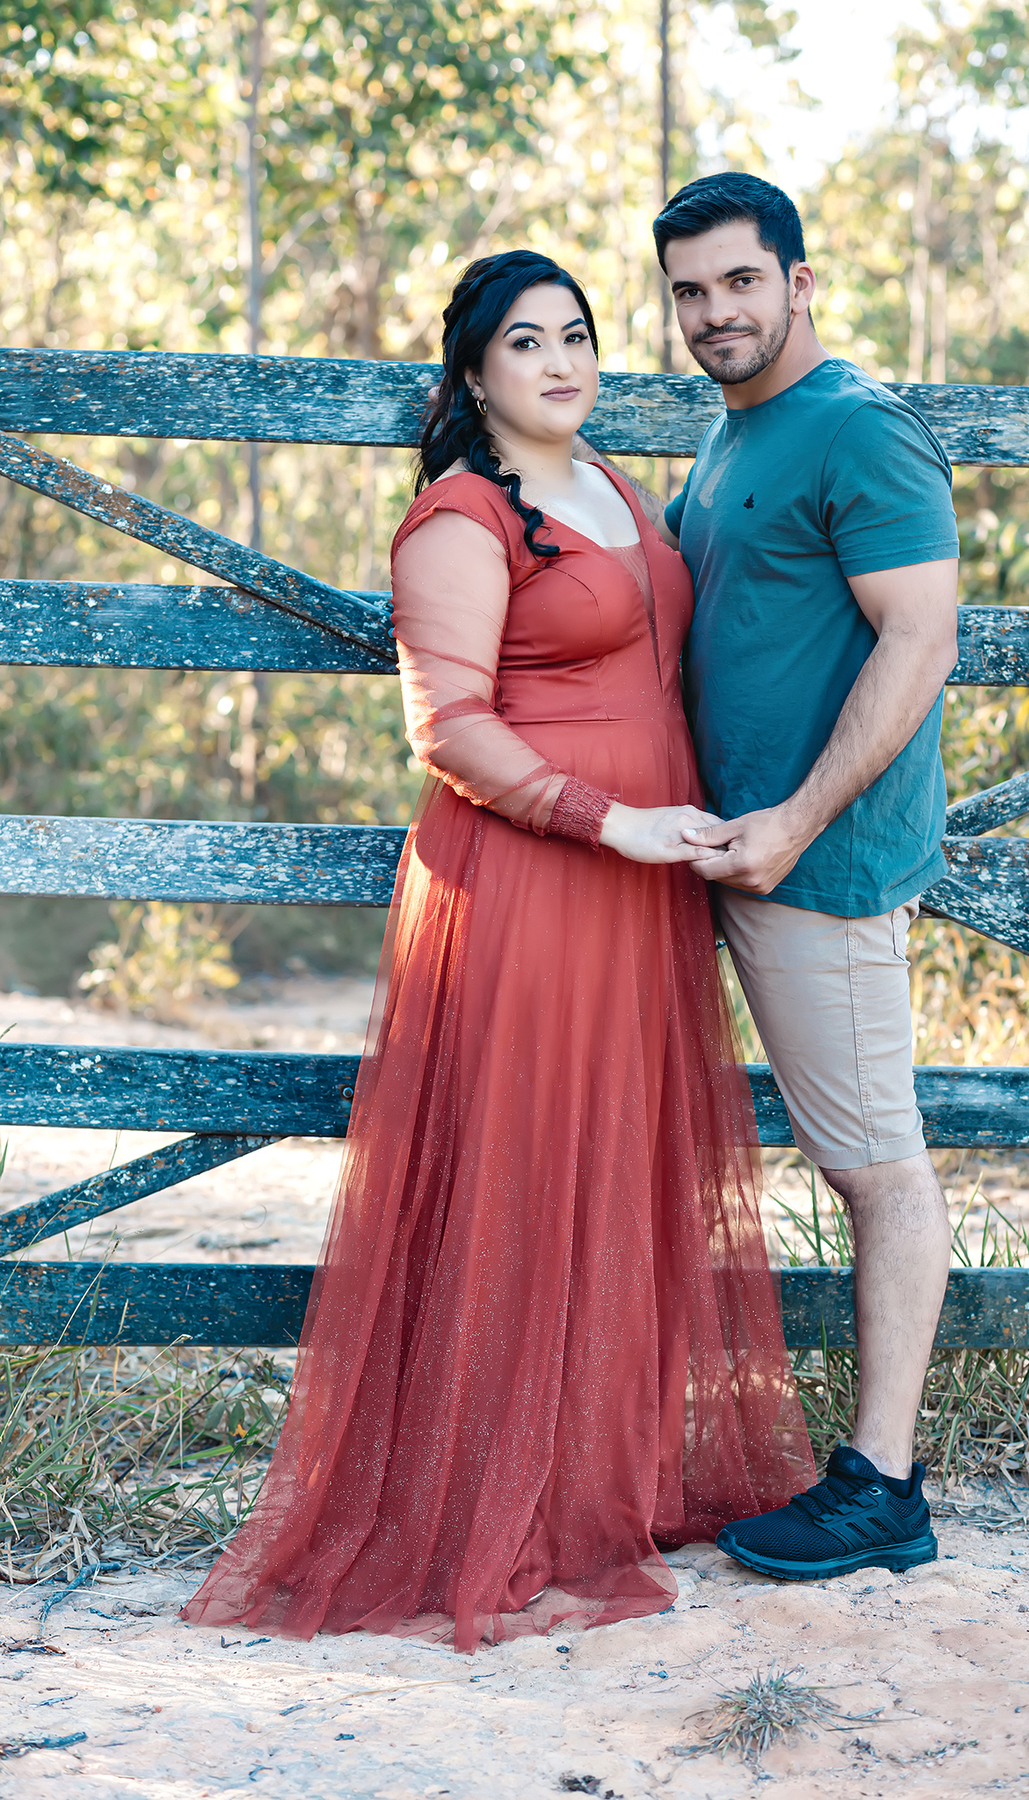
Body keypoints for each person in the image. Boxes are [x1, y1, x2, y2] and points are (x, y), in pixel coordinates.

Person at [181, 249, 813, 1654]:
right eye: (526, 342)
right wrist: (613, 820)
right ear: (474, 374)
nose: (561, 360)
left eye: (576, 334)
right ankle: (493, 1507)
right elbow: (450, 728)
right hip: (536, 876)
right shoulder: (460, 517)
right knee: (527, 1167)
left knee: (618, 1163)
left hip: (639, 888)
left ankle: (599, 1480)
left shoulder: (618, 490)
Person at [580, 172, 958, 1582]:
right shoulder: (736, 430)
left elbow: (920, 640)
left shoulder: (858, 428)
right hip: (723, 851)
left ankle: (884, 1489)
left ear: (800, 282)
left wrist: (796, 821)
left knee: (874, 1163)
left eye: (741, 281)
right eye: (689, 291)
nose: (714, 312)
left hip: (819, 865)